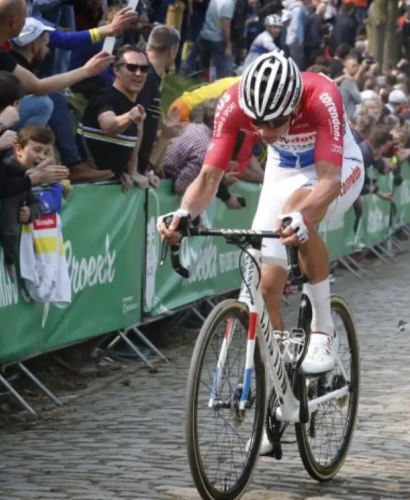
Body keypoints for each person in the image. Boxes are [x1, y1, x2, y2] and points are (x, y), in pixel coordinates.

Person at [156, 50, 365, 455]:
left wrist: (303, 217)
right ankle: (280, 391)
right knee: (266, 282)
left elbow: (327, 180)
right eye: (258, 123)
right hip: (283, 167)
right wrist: (184, 212)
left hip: (334, 169)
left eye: (276, 122)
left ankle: (323, 328)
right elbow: (209, 175)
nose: (265, 131)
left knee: (298, 219)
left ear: (292, 104)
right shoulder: (235, 101)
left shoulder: (322, 95)